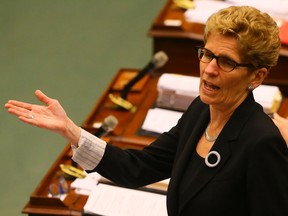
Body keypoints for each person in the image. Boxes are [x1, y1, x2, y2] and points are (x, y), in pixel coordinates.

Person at [5, 6, 288, 216]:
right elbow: (139, 168)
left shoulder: (261, 143)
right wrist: (72, 131)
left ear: (257, 77)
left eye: (226, 62)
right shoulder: (202, 109)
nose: (209, 69)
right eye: (207, 54)